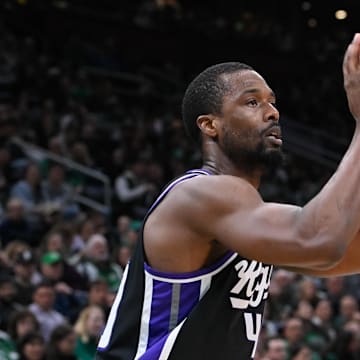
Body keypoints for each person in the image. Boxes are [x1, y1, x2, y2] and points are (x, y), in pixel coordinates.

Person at [97, 34, 360, 360]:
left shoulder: (245, 214)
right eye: (252, 102)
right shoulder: (201, 194)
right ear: (210, 125)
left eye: (272, 101)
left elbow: (342, 253)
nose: (272, 112)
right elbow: (321, 239)